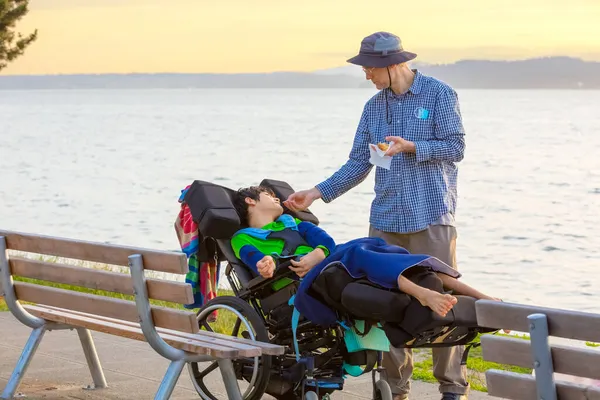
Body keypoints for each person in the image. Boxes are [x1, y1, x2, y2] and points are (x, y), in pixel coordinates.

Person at [283, 32, 469, 400]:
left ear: (391, 64)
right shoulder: (372, 108)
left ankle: (452, 387)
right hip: (385, 218)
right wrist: (316, 193)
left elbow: (456, 146)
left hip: (431, 215)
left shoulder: (440, 94)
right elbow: (358, 162)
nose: (366, 74)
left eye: (369, 68)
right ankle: (395, 388)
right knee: (385, 305)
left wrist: (411, 146)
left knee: (442, 298)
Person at [231, 186, 499, 320]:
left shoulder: (294, 223)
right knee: (361, 251)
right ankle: (425, 294)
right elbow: (251, 256)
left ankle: (480, 297)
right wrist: (264, 263)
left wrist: (319, 254)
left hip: (323, 268)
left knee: (381, 248)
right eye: (268, 195)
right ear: (250, 201)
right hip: (298, 285)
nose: (277, 198)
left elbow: (325, 241)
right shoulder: (241, 237)